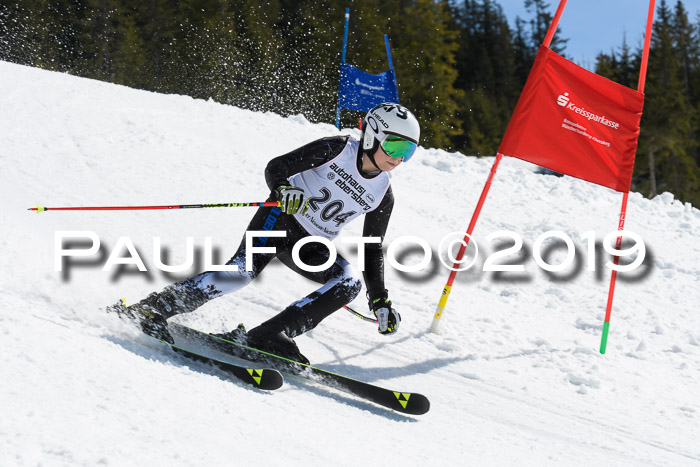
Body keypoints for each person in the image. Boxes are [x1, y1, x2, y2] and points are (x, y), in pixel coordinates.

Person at [108, 102, 420, 364]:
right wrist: (284, 189)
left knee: (348, 281)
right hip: (280, 217)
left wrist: (379, 298)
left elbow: (371, 247)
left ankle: (271, 334)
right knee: (242, 272)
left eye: (408, 151)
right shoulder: (337, 150)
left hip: (310, 245)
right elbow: (277, 167)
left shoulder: (382, 194)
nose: (399, 158)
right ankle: (154, 308)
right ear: (373, 136)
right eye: (395, 145)